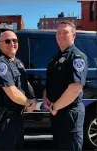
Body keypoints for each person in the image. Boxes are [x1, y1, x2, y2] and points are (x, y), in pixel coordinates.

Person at [43, 20, 88, 150]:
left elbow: (75, 88)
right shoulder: (56, 57)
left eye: (65, 32)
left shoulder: (77, 57)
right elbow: (51, 81)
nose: (60, 35)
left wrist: (55, 106)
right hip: (57, 112)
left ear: (73, 35)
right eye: (58, 32)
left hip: (69, 114)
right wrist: (46, 96)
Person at [0, 29, 37, 150]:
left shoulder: (18, 62)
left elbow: (25, 83)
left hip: (17, 117)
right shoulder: (1, 64)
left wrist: (33, 97)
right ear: (0, 44)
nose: (12, 43)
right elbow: (12, 92)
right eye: (7, 41)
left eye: (14, 40)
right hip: (5, 119)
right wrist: (28, 103)